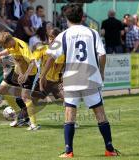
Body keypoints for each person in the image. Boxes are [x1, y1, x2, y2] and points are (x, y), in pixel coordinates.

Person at [40, 4, 120, 158]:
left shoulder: (63, 35)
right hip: (91, 78)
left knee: (70, 113)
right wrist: (101, 72)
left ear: (66, 18)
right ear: (82, 16)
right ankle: (109, 149)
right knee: (100, 113)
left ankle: (69, 151)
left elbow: (50, 56)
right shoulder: (92, 32)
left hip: (71, 79)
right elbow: (102, 55)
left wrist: (43, 76)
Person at [0, 32, 40, 130]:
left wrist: (25, 75)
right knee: (1, 89)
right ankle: (19, 113)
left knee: (25, 97)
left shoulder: (22, 46)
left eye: (5, 45)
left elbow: (32, 62)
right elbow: (7, 51)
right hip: (17, 71)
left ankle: (34, 124)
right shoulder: (10, 43)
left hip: (29, 73)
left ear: (9, 41)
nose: (4, 47)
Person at [0, 50, 29, 127]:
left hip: (19, 76)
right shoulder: (2, 61)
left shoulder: (6, 58)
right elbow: (6, 71)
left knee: (2, 90)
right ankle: (23, 116)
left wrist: (22, 74)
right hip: (14, 77)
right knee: (8, 94)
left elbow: (20, 62)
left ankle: (21, 114)